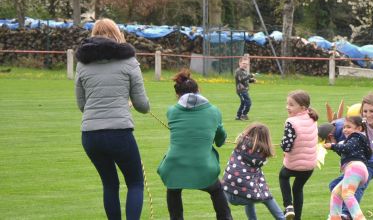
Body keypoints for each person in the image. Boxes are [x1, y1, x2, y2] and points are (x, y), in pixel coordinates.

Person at [75, 18, 150, 219]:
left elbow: (82, 105)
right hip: (119, 132)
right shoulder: (129, 61)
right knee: (135, 182)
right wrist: (129, 104)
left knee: (110, 184)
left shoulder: (83, 63)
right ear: (117, 34)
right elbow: (142, 105)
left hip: (90, 135)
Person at [157, 69, 232, 220]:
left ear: (178, 95)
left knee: (173, 189)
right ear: (199, 91)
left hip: (174, 165)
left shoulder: (171, 111)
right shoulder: (214, 111)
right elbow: (220, 141)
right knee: (217, 190)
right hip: (203, 167)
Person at [319, 117, 373, 220]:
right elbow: (348, 150)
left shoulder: (356, 136)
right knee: (336, 192)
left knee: (347, 194)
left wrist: (333, 146)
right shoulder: (355, 139)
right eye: (344, 127)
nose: (345, 130)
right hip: (357, 169)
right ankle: (335, 217)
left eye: (348, 127)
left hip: (355, 168)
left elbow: (347, 148)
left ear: (359, 128)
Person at [223, 123, 284, 220]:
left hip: (228, 191)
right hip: (242, 195)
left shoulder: (239, 145)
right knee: (267, 197)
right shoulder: (262, 155)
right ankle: (282, 218)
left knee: (251, 190)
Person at [279, 90, 318, 220]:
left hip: (293, 165)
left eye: (291, 105)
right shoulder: (312, 118)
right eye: (287, 104)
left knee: (283, 176)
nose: (287, 107)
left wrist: (282, 144)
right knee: (297, 189)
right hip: (309, 166)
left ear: (302, 107)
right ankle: (297, 218)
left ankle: (288, 205)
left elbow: (287, 146)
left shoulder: (291, 122)